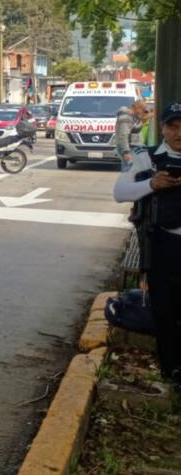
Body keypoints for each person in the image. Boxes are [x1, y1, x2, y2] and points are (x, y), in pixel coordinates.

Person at [114, 101, 181, 396]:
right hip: (163, 244)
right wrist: (152, 184)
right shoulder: (146, 157)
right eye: (173, 126)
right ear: (162, 128)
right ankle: (172, 371)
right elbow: (119, 192)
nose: (179, 133)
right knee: (164, 310)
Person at [115, 100, 151, 170]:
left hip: (132, 147)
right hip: (129, 147)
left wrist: (142, 119)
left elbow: (134, 129)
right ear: (137, 108)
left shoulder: (132, 117)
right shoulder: (126, 118)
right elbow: (123, 135)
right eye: (143, 110)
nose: (143, 112)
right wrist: (126, 152)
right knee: (129, 170)